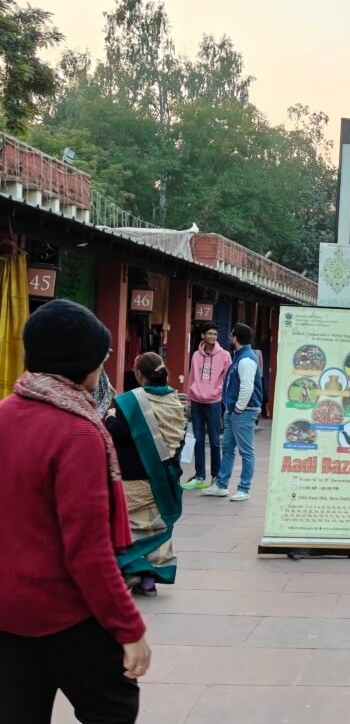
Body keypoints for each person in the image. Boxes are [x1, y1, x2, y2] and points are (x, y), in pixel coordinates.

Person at [0, 299, 150, 722]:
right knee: (114, 707)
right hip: (66, 613)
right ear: (81, 364)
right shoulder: (78, 432)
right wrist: (129, 628)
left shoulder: (4, 414)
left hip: (7, 611)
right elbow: (88, 551)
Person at [105, 352, 187, 597]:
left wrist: (109, 417)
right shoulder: (176, 401)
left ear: (139, 374)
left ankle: (131, 569)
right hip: (163, 477)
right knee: (156, 527)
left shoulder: (129, 401)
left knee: (128, 526)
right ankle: (149, 578)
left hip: (131, 475)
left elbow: (117, 432)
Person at [201, 323, 263, 502]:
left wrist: (237, 409)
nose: (229, 339)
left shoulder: (245, 360)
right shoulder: (241, 357)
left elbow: (247, 387)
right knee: (227, 448)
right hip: (235, 411)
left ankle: (244, 488)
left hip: (242, 412)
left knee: (245, 451)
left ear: (235, 338)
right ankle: (221, 485)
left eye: (230, 336)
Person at [182, 322, 231, 490]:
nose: (212, 336)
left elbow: (227, 380)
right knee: (198, 440)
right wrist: (189, 400)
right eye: (209, 333)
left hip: (213, 402)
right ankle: (199, 476)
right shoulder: (196, 355)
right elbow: (191, 378)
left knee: (215, 440)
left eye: (215, 334)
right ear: (203, 335)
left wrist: (217, 392)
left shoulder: (224, 355)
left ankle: (216, 476)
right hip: (196, 402)